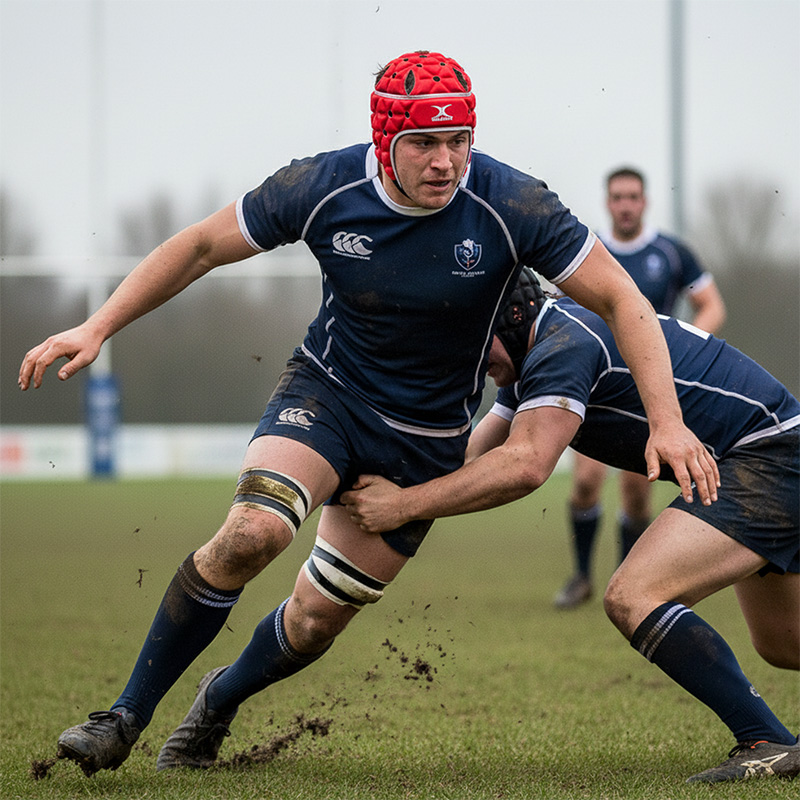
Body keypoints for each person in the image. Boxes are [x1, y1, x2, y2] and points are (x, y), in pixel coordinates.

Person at [18, 51, 718, 778]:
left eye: (459, 141)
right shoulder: (322, 185)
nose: (445, 162)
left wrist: (667, 423)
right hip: (327, 394)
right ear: (385, 140)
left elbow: (623, 299)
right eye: (423, 143)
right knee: (253, 533)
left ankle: (219, 697)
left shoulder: (514, 203)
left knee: (313, 621)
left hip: (424, 442)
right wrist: (98, 326)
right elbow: (198, 247)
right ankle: (122, 717)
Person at [342, 268, 799, 784]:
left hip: (771, 456)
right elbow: (471, 457)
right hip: (768, 453)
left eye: (474, 338)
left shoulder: (565, 346)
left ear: (513, 317)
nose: (469, 356)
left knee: (634, 595)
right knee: (784, 643)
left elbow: (525, 466)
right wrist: (369, 472)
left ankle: (765, 740)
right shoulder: (537, 356)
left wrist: (402, 506)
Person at [555, 166, 728, 609]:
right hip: (595, 386)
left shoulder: (670, 253)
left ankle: (626, 582)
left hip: (645, 391)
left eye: (633, 197)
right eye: (618, 197)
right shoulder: (588, 251)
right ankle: (581, 577)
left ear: (644, 202)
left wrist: (680, 349)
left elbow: (711, 306)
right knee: (585, 482)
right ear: (608, 202)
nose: (626, 205)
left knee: (636, 492)